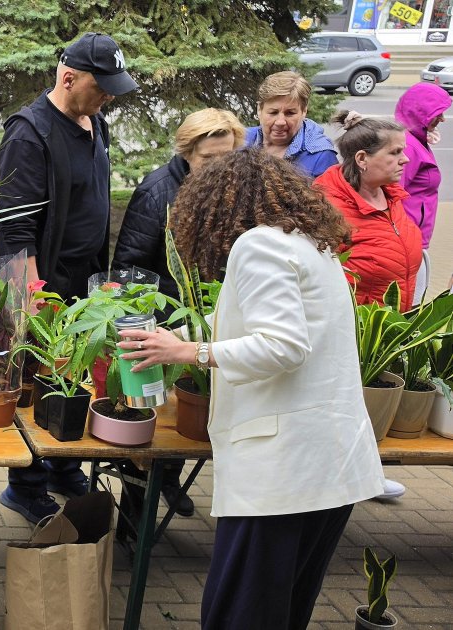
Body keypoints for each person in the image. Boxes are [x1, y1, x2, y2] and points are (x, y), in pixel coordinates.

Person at [118, 149, 384, 629]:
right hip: (331, 465)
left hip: (283, 472)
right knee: (282, 614)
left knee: (238, 616)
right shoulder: (308, 244)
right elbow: (295, 335)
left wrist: (190, 355)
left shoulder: (258, 245)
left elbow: (282, 347)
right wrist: (183, 341)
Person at [0, 32, 138, 523]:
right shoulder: (29, 133)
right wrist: (32, 295)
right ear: (68, 77)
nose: (108, 97)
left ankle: (59, 463)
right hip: (43, 281)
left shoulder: (94, 123)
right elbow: (16, 226)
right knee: (40, 377)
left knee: (74, 374)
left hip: (83, 276)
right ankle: (26, 483)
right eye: (102, 87)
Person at [112, 108, 245, 519]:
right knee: (151, 418)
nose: (218, 167)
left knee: (189, 409)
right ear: (187, 152)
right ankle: (136, 514)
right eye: (209, 159)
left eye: (227, 157)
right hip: (164, 324)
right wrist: (144, 322)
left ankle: (170, 478)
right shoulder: (157, 192)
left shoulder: (232, 188)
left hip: (206, 320)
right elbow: (129, 266)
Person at [314, 110, 422, 503]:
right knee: (342, 407)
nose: (404, 160)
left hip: (387, 322)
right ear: (362, 159)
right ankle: (338, 482)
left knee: (363, 407)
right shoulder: (328, 205)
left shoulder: (390, 195)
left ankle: (362, 474)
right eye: (394, 153)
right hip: (352, 328)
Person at [395, 83, 451, 301]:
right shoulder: (408, 145)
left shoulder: (417, 141)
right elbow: (394, 193)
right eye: (438, 113)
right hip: (406, 242)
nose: (444, 119)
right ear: (421, 113)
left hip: (415, 240)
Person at [243, 71, 338, 178]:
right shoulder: (241, 140)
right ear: (259, 110)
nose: (280, 122)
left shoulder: (321, 155)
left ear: (304, 112)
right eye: (273, 113)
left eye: (290, 113)